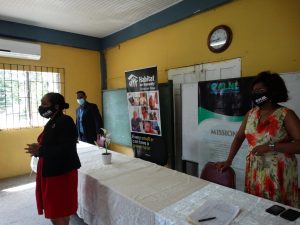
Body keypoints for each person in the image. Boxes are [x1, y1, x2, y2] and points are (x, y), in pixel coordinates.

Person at [216, 71, 300, 208]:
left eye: (261, 90)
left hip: (278, 173)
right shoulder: (251, 114)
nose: (256, 94)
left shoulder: (286, 115)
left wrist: (271, 147)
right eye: (254, 91)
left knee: (277, 212)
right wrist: (228, 160)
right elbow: (238, 137)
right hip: (254, 170)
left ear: (273, 91)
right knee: (255, 208)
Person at [25, 92, 81, 225]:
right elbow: (54, 144)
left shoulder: (65, 121)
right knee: (57, 209)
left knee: (57, 210)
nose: (41, 107)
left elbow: (67, 149)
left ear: (56, 106)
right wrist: (40, 148)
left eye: (45, 104)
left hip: (61, 174)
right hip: (52, 170)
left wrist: (41, 150)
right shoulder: (53, 121)